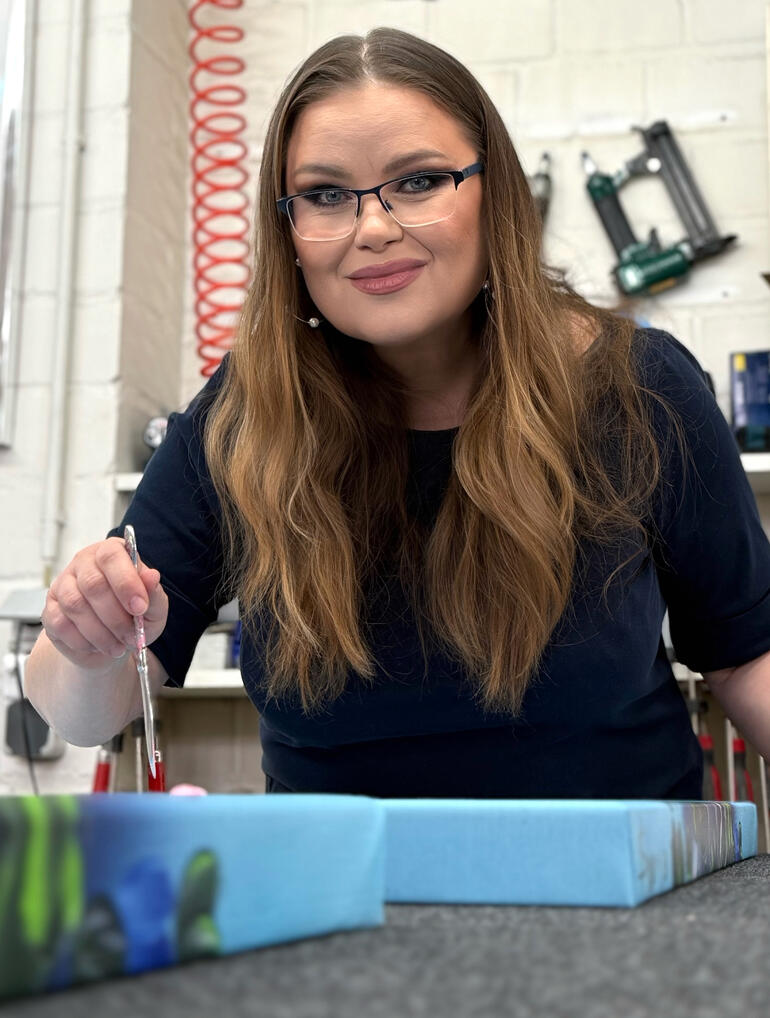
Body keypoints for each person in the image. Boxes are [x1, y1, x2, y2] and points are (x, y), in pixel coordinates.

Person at [25, 28, 770, 799]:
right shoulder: (249, 415)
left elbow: (749, 652)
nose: (374, 228)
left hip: (619, 870)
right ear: (289, 230)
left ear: (494, 195)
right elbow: (79, 710)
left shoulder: (640, 387)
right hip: (336, 873)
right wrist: (88, 643)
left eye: (418, 181)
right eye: (325, 195)